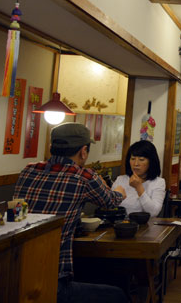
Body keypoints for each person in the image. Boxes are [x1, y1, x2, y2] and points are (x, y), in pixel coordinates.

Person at [13, 123, 128, 303]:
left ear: (51, 148)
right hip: (53, 280)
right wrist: (120, 192)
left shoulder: (28, 170)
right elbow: (110, 202)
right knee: (118, 296)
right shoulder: (84, 177)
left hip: (16, 272)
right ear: (83, 151)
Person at [111, 140, 165, 217]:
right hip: (120, 225)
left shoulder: (158, 182)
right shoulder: (120, 180)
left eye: (141, 159)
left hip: (145, 227)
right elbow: (110, 207)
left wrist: (139, 188)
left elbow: (153, 213)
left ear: (151, 161)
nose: (136, 164)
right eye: (133, 159)